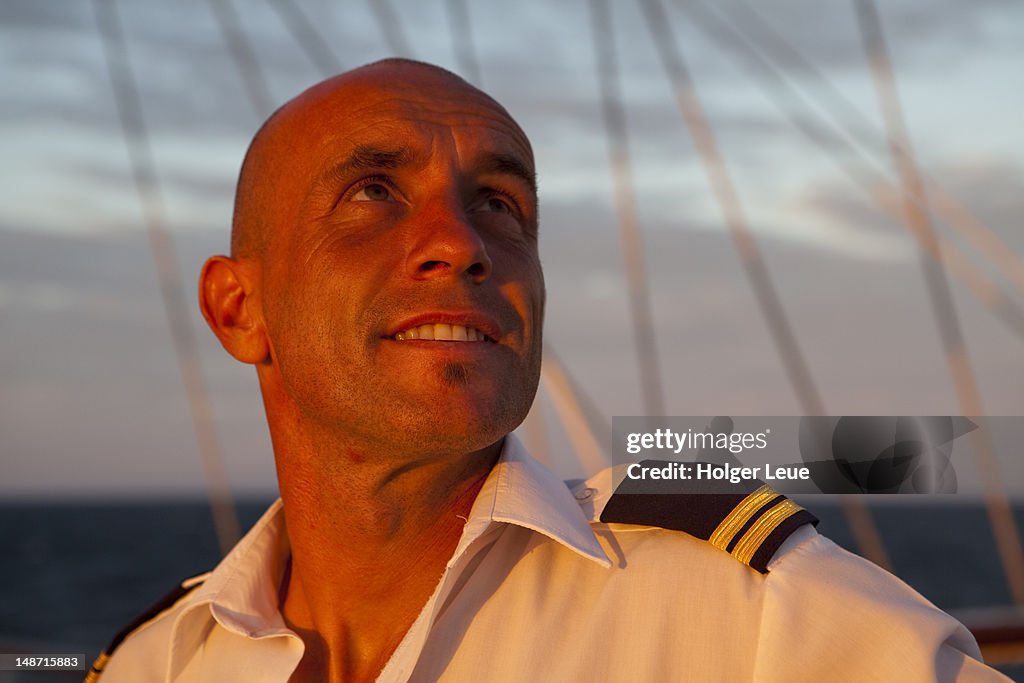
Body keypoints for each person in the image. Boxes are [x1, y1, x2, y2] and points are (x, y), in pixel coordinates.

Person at [88, 58, 1010, 682]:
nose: (460, 242)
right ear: (238, 309)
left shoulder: (752, 616)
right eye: (373, 193)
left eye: (499, 202)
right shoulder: (154, 663)